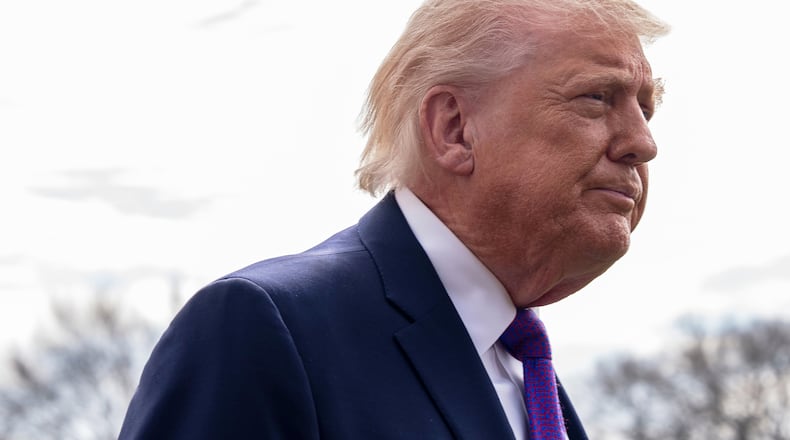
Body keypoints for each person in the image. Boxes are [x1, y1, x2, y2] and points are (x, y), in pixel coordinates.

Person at [119, 0, 669, 438]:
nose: (642, 143)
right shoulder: (266, 327)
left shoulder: (524, 369)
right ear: (454, 129)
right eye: (597, 98)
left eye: (645, 108)